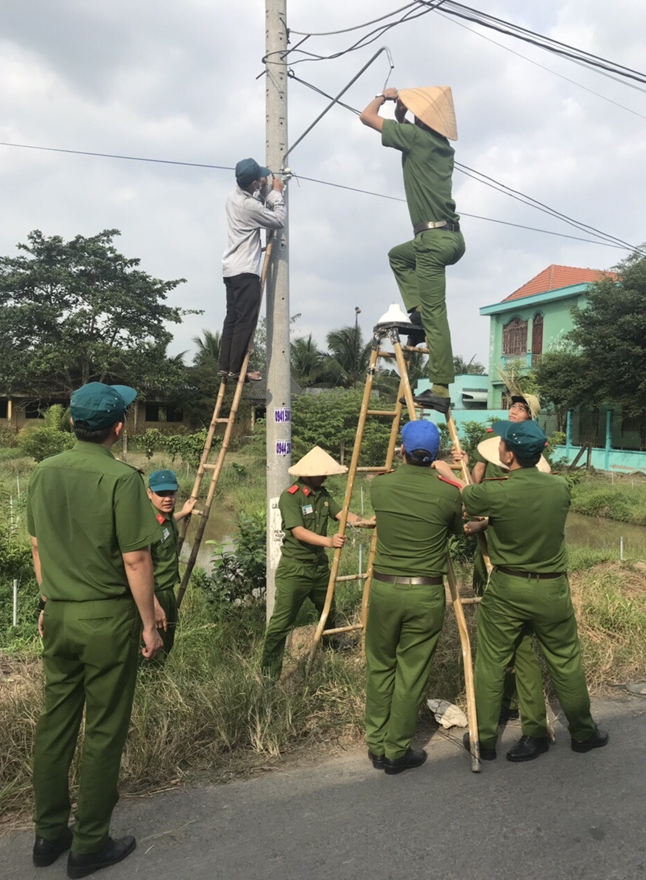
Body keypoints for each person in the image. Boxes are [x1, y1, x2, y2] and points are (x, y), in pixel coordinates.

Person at [27, 382, 164, 878]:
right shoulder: (123, 479)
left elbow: (39, 547)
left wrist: (46, 601)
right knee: (104, 729)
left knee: (55, 722)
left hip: (58, 613)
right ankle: (89, 844)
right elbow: (136, 557)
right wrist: (149, 624)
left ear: (70, 424)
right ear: (119, 428)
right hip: (106, 618)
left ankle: (48, 835)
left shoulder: (43, 472)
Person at [461, 420, 608, 761]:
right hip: (552, 588)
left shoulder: (494, 492)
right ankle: (584, 732)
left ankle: (484, 741)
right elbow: (525, 511)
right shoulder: (559, 488)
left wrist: (454, 468)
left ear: (508, 455)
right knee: (566, 660)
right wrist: (491, 522)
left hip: (508, 589)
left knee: (493, 662)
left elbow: (469, 495)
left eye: (502, 445)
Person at [366, 420, 464, 774]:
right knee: (411, 672)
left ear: (401, 451)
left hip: (384, 588)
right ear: (437, 455)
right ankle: (397, 750)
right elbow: (458, 528)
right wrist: (451, 476)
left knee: (380, 666)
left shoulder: (381, 486)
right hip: (425, 592)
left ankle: (376, 744)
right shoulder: (448, 493)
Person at [360, 86, 465, 414]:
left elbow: (366, 117)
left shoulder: (415, 139)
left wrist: (385, 97)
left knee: (438, 313)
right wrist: (404, 113)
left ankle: (441, 389)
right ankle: (416, 313)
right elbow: (410, 129)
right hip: (443, 238)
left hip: (433, 243)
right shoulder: (439, 145)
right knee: (398, 256)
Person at [456, 392, 550, 734]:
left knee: (515, 641)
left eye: (521, 408)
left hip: (516, 551)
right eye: (513, 406)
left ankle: (508, 707)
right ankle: (500, 706)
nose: (514, 410)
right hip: (492, 541)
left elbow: (524, 503)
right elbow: (476, 487)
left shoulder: (534, 453)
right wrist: (469, 466)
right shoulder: (493, 441)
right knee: (496, 629)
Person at [261, 446, 375, 679]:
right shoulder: (290, 496)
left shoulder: (323, 495)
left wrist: (364, 522)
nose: (325, 477)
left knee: (328, 607)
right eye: (322, 473)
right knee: (281, 624)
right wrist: (328, 541)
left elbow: (342, 515)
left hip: (319, 567)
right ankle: (269, 675)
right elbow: (298, 531)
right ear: (308, 472)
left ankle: (330, 644)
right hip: (295, 569)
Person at [219, 157, 286, 382]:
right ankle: (237, 371)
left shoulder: (233, 197)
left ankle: (226, 367)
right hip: (246, 270)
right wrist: (276, 193)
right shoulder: (249, 206)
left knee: (232, 318)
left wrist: (263, 188)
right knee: (246, 321)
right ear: (253, 184)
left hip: (230, 269)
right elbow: (278, 219)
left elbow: (255, 201)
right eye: (259, 180)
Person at [146, 469, 197, 660]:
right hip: (153, 593)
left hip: (166, 592)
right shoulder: (146, 523)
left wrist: (184, 512)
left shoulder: (165, 518)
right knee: (153, 648)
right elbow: (136, 568)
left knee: (166, 644)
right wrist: (153, 604)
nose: (167, 498)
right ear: (149, 493)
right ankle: (152, 686)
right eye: (161, 494)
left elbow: (167, 527)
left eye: (171, 493)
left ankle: (158, 683)